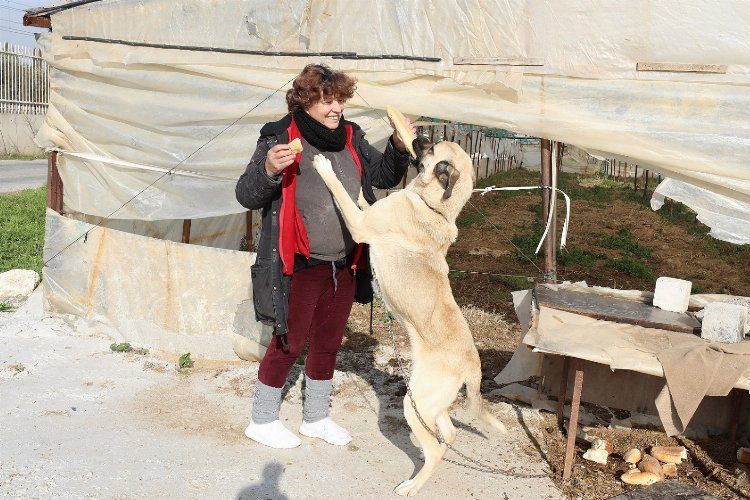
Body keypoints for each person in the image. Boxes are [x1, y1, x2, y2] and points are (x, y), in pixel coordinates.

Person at [235, 64, 413, 449]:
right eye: (327, 101)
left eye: (340, 101)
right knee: (289, 340)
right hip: (298, 262)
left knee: (329, 341)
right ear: (305, 101)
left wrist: (399, 148)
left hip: (345, 261)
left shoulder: (351, 136)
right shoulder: (279, 136)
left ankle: (316, 417)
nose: (337, 109)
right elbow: (247, 195)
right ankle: (261, 419)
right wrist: (268, 169)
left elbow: (381, 176)